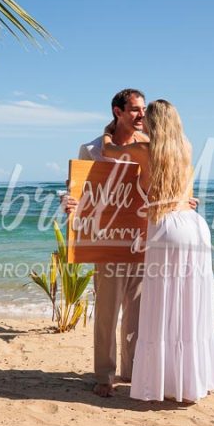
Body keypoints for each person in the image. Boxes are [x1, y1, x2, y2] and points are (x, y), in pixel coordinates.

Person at [101, 99, 214, 403]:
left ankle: (161, 382)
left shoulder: (145, 150)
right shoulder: (187, 147)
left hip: (167, 228)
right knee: (189, 306)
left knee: (162, 305)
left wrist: (107, 132)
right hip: (195, 226)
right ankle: (191, 382)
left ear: (154, 123)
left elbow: (109, 151)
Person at [63, 88, 149, 397]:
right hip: (106, 239)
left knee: (138, 311)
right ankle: (104, 375)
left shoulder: (149, 146)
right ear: (118, 111)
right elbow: (75, 188)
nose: (142, 115)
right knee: (107, 311)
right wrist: (68, 202)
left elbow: (163, 184)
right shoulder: (92, 148)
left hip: (141, 239)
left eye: (143, 109)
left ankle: (133, 371)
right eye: (136, 109)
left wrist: (184, 201)